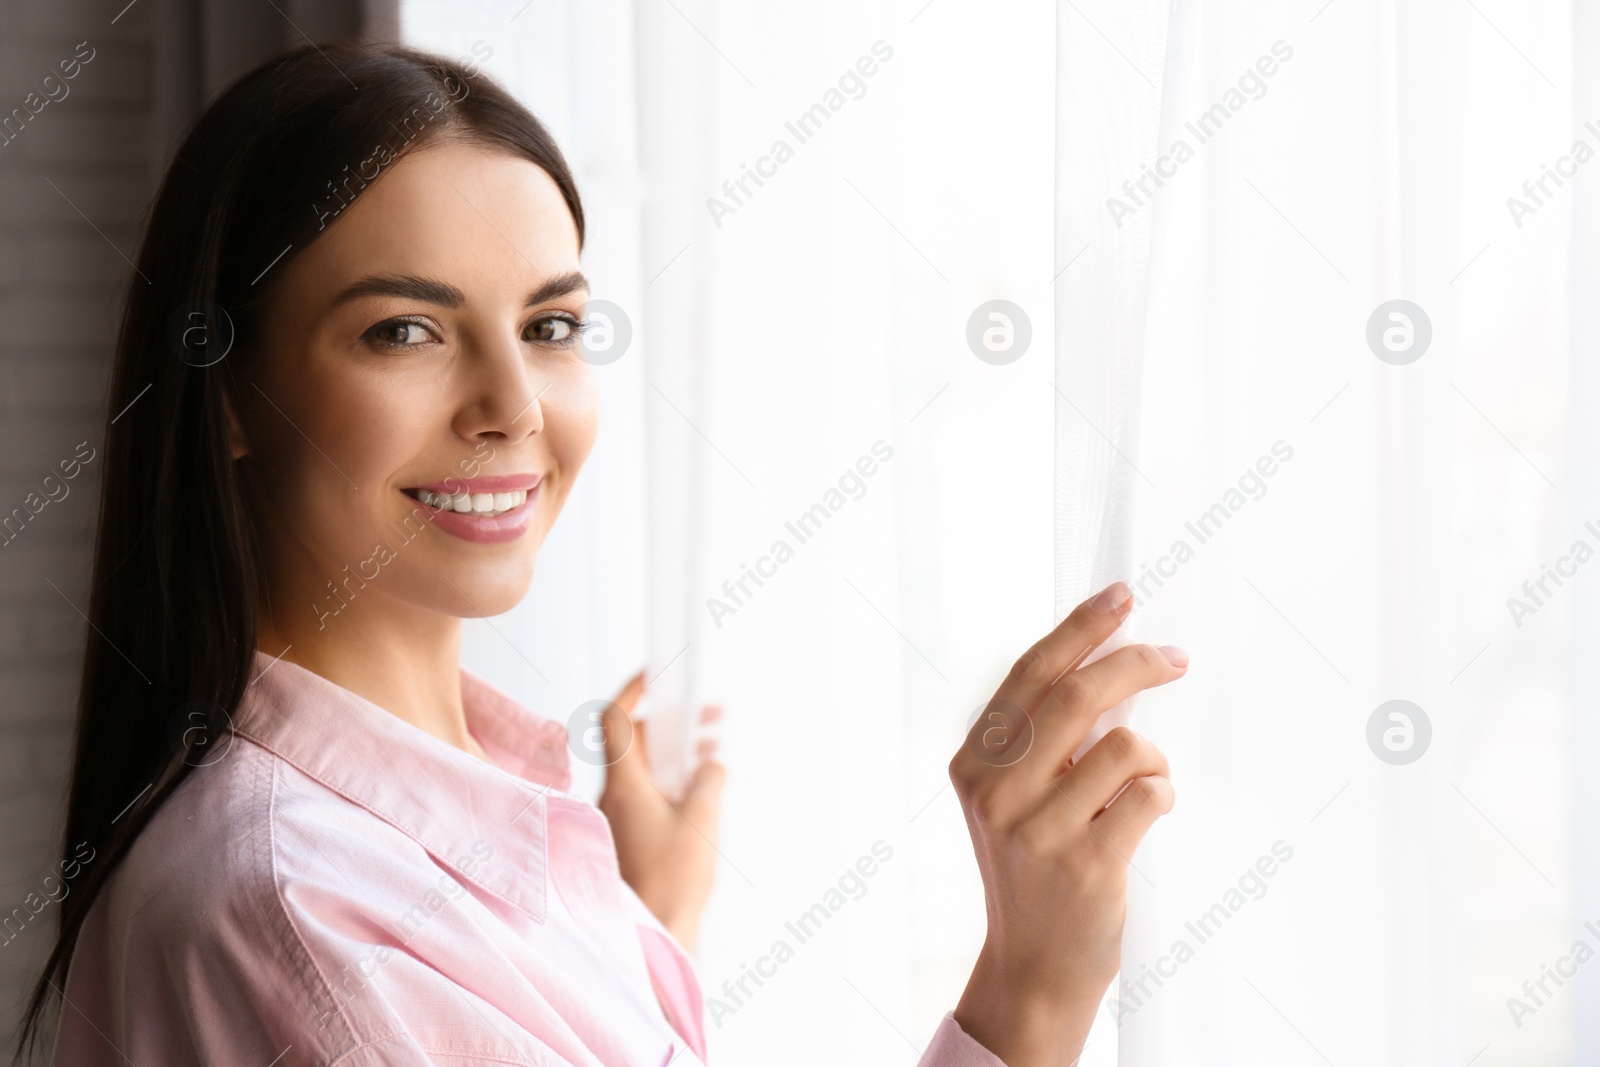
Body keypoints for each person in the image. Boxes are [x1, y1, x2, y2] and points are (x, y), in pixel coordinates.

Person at [15, 43, 1188, 1067]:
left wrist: (632, 933)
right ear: (229, 391)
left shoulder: (426, 844)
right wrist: (1031, 990)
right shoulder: (303, 912)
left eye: (550, 326)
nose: (513, 404)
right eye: (404, 330)